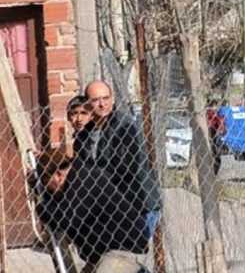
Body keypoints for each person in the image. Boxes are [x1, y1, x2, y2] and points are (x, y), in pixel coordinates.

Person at [35, 148, 149, 273]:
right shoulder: (74, 179)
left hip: (124, 249)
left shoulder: (84, 181)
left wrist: (40, 208)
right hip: (102, 252)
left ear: (59, 175)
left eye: (46, 182)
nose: (47, 188)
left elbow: (65, 219)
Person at [77, 81, 162, 242]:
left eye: (106, 98)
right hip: (111, 209)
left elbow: (125, 168)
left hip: (138, 206)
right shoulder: (87, 134)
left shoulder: (125, 126)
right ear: (87, 103)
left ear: (112, 99)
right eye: (96, 100)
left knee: (125, 257)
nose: (102, 104)